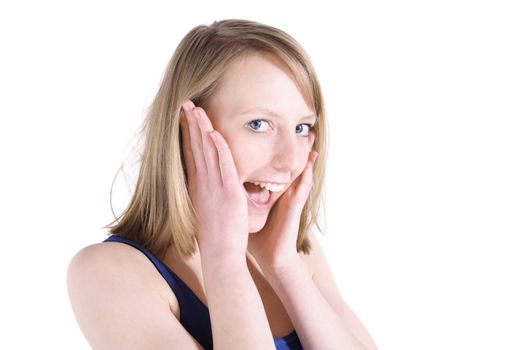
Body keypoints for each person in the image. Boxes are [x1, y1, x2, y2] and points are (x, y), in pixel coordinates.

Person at [67, 19, 378, 350]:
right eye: (259, 124)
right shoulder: (107, 273)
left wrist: (285, 267)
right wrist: (224, 261)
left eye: (302, 128)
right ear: (186, 130)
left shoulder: (294, 251)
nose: (291, 160)